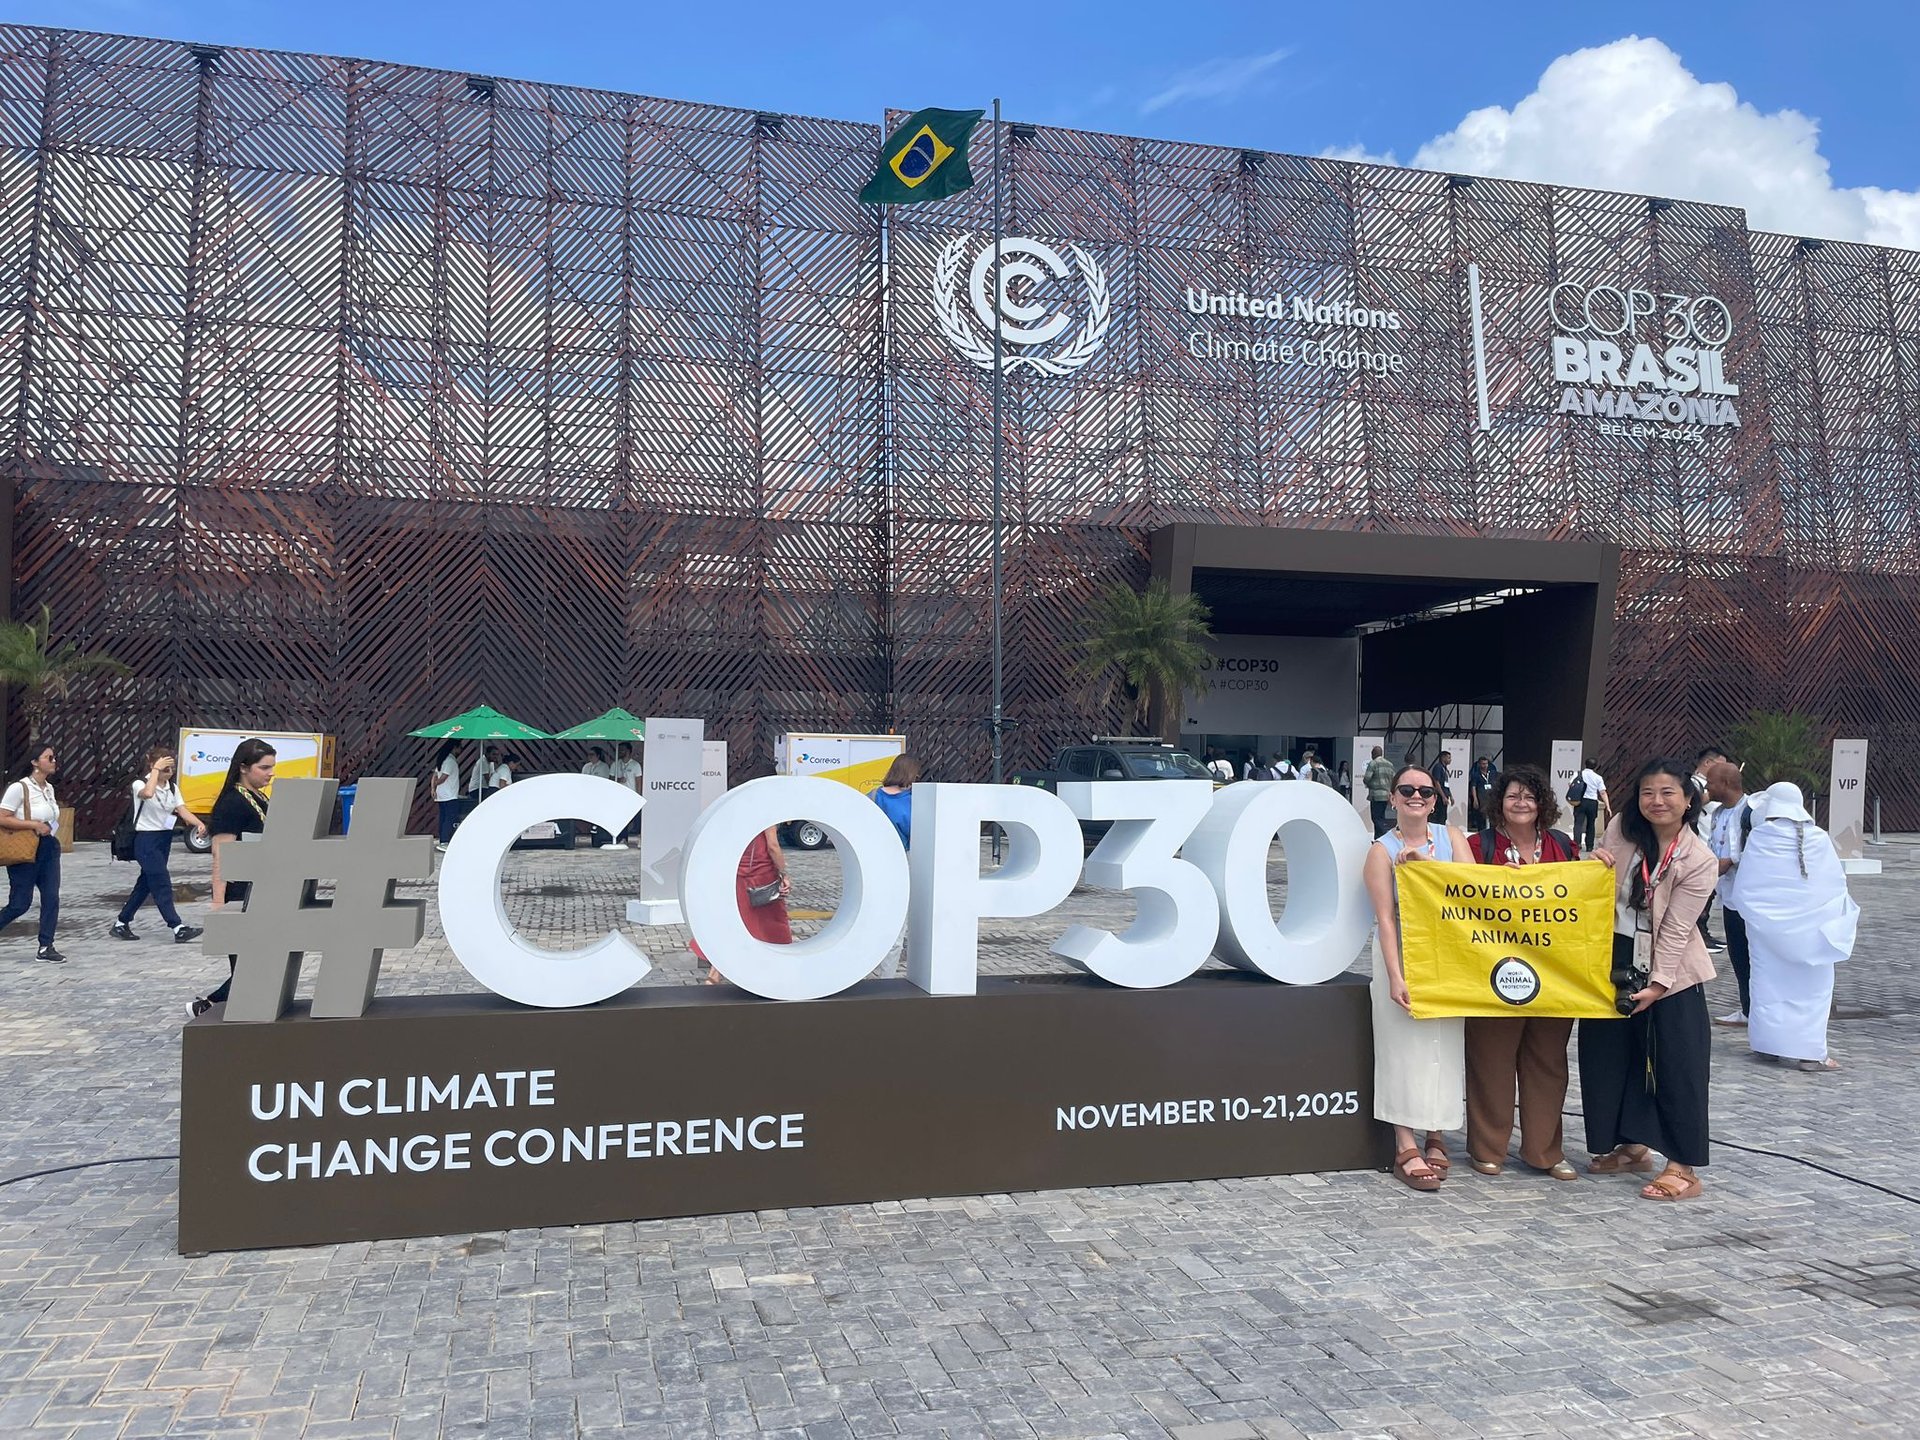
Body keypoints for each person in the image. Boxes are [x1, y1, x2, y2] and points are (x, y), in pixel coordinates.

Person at [1579, 758, 1717, 1201]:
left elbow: (1677, 929)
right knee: (1609, 1056)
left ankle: (1683, 1165)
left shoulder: (1698, 858)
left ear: (1688, 800)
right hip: (1612, 960)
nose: (1656, 802)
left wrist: (1658, 983)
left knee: (1678, 1065)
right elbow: (1600, 885)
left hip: (1671, 974)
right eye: (1647, 793)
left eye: (1667, 793)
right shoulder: (1621, 828)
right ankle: (1632, 1145)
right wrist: (1595, 860)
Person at [1464, 765, 1577, 1179]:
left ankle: (1544, 1151)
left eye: (1529, 796)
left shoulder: (1564, 847)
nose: (1521, 803)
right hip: (1493, 970)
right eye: (1513, 796)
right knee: (1490, 1061)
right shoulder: (1479, 845)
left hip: (1554, 975)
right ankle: (1487, 1148)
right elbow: (1451, 889)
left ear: (1542, 803)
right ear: (1499, 802)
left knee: (1548, 1063)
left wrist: (1598, 866)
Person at [1363, 764, 1469, 1192]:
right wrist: (1394, 974)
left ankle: (1436, 1131)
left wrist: (1425, 867)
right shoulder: (1381, 851)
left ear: (1436, 798)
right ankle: (1404, 1139)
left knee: (1444, 1044)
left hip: (1448, 953)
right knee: (1402, 1047)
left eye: (1425, 790)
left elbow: (1472, 890)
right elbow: (1386, 919)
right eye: (1406, 789)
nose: (1416, 795)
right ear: (1392, 798)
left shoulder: (1452, 839)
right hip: (1404, 950)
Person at [1732, 782, 1857, 1072]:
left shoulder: (1761, 837)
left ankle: (1767, 1045)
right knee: (1813, 990)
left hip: (1766, 932)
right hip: (1813, 931)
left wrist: (1764, 917)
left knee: (1766, 986)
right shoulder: (1819, 837)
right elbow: (1835, 883)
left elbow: (1747, 886)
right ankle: (1810, 1053)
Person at [190, 738, 277, 1018]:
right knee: (248, 965)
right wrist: (219, 902)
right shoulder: (232, 803)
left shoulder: (260, 798)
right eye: (264, 768)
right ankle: (209, 1005)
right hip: (240, 893)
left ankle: (216, 1005)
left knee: (259, 962)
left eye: (272, 767)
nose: (270, 773)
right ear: (244, 768)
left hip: (261, 888)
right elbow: (222, 855)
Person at [110, 746, 208, 943]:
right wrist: (155, 771)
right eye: (165, 768)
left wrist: (198, 822)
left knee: (145, 884)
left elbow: (181, 810)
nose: (168, 772)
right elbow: (147, 793)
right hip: (146, 839)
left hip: (164, 839)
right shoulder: (140, 783)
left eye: (170, 768)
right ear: (153, 765)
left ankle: (121, 922)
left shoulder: (172, 788)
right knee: (161, 882)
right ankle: (177, 926)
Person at [691, 823, 792, 985]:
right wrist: (784, 873)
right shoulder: (766, 810)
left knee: (735, 923)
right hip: (761, 876)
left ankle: (715, 972)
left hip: (739, 873)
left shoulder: (740, 809)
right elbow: (772, 846)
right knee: (771, 925)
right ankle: (774, 969)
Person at [0, 744, 65, 962]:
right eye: (49, 757)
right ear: (35, 762)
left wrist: (49, 828)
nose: (54, 761)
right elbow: (3, 817)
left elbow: (52, 816)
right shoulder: (20, 788)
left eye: (54, 757)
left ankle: (46, 946)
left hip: (48, 847)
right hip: (25, 848)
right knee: (20, 904)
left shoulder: (48, 788)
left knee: (51, 897)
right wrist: (32, 824)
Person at [1703, 761, 1754, 1027]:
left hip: (1749, 899)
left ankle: (1754, 1010)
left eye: (1710, 782)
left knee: (1749, 956)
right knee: (1737, 955)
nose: (1707, 787)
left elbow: (1731, 857)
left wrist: (1699, 879)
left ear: (1725, 784)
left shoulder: (1748, 812)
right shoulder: (1717, 813)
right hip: (1729, 897)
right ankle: (1748, 1008)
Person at [1691, 747, 1729, 950]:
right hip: (1700, 844)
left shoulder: (1707, 785)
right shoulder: (1694, 784)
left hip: (1712, 845)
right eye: (1719, 765)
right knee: (1702, 892)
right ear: (1707, 763)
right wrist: (1714, 794)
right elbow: (1690, 805)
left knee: (1710, 892)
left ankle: (1703, 932)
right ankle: (1698, 936)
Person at [870, 755, 917, 849]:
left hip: (875, 854)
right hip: (904, 856)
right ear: (912, 774)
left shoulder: (872, 795)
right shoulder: (913, 799)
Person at [581, 746, 619, 849]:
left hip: (599, 795)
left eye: (592, 754)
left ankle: (597, 832)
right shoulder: (586, 767)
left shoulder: (604, 767)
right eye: (588, 754)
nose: (590, 757)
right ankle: (592, 831)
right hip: (588, 794)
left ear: (598, 755)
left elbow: (604, 782)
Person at [1569, 757, 1607, 854]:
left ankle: (1577, 844)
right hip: (1592, 802)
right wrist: (1608, 805)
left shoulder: (1578, 774)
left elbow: (1570, 784)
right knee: (1591, 824)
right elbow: (1602, 792)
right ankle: (1589, 846)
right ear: (1595, 766)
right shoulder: (1598, 777)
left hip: (1580, 801)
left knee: (1578, 823)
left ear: (1585, 764)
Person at [431, 742, 462, 849]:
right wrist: (436, 784)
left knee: (443, 817)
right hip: (449, 794)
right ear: (454, 748)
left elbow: (434, 775)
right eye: (459, 747)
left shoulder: (443, 760)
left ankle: (442, 839)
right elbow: (443, 777)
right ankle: (444, 841)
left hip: (441, 794)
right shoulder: (450, 761)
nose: (460, 750)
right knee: (449, 817)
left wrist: (433, 788)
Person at [613, 742, 643, 844]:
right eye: (620, 749)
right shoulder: (615, 764)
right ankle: (623, 838)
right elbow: (611, 779)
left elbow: (638, 782)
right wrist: (618, 779)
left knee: (636, 818)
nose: (620, 751)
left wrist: (638, 797)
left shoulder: (635, 765)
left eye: (623, 749)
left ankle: (640, 837)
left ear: (629, 751)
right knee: (621, 818)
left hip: (632, 795)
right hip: (619, 796)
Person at [1363, 745, 1394, 838]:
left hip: (1376, 795)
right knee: (1381, 816)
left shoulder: (1373, 763)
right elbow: (1393, 779)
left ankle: (1386, 834)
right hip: (1386, 795)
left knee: (1376, 818)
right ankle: (1378, 838)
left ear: (1373, 754)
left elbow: (1367, 778)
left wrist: (1368, 784)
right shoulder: (1389, 764)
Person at [1468, 756, 1497, 835]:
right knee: (1481, 817)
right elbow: (1473, 787)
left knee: (1492, 817)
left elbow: (1496, 785)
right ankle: (1481, 834)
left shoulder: (1492, 773)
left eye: (1486, 763)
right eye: (1483, 764)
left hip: (1491, 798)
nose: (1484, 765)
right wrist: (1475, 799)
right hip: (1481, 798)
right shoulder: (1476, 775)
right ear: (1479, 764)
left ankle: (1492, 833)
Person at [1430, 751, 1453, 825]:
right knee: (1439, 816)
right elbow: (1437, 782)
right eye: (1448, 758)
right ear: (1443, 757)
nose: (1450, 760)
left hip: (1445, 794)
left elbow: (1446, 784)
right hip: (1440, 796)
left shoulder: (1444, 768)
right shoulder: (1438, 767)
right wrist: (1443, 796)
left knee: (1443, 817)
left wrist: (1450, 796)